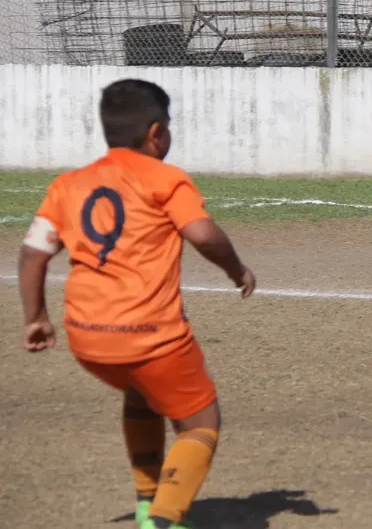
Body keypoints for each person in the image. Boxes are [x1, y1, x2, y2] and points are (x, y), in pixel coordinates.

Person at [17, 78, 256, 529]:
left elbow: (33, 253)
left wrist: (36, 318)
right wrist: (237, 270)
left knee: (141, 394)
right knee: (201, 422)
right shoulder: (165, 178)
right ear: (155, 133)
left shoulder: (70, 184)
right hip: (152, 337)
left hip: (88, 340)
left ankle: (147, 503)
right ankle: (164, 519)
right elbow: (202, 233)